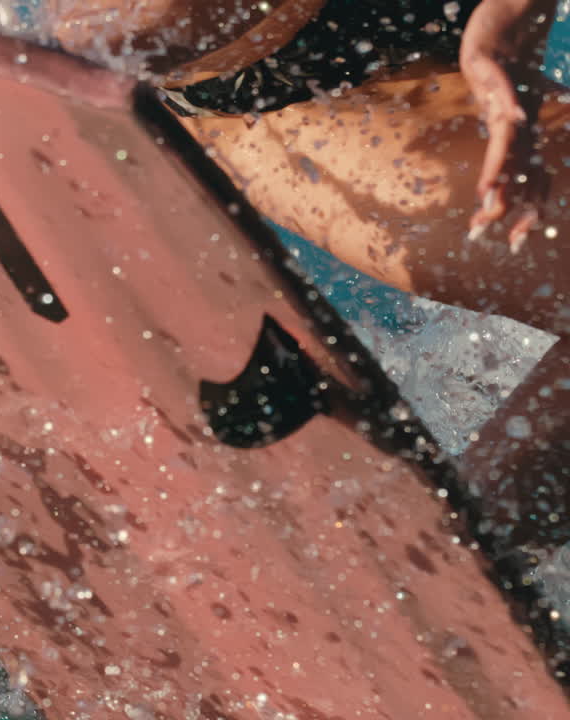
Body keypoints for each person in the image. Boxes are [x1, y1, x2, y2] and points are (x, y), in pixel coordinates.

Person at [51, 0, 569, 559]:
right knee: (136, 34)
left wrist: (498, 53)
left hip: (348, 94)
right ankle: (455, 546)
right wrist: (497, 53)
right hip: (294, 86)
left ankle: (457, 552)